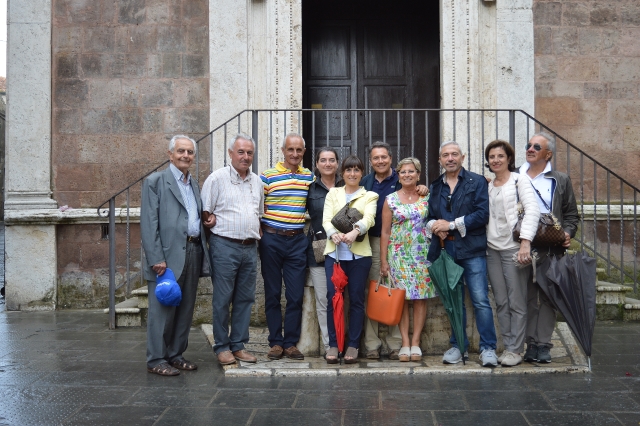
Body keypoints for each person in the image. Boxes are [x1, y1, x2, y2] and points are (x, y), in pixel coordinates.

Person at [141, 135, 210, 376]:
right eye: (181, 151)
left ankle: (175, 354)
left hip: (193, 250)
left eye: (190, 152)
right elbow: (149, 223)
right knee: (162, 309)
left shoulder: (193, 183)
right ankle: (156, 359)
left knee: (185, 308)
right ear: (170, 154)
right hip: (167, 256)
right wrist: (156, 257)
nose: (185, 156)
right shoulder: (155, 181)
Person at [426, 140, 498, 367]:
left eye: (454, 154)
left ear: (462, 157)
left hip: (472, 249)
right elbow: (429, 217)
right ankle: (458, 346)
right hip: (446, 250)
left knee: (480, 300)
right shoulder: (436, 186)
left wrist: (450, 225)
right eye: (445, 155)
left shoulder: (477, 182)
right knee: (453, 301)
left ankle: (488, 348)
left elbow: (482, 214)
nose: (450, 158)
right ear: (440, 159)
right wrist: (434, 226)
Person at [360, 141, 428, 360]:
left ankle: (396, 344)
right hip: (375, 242)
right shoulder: (365, 182)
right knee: (376, 290)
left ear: (390, 159)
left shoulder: (404, 182)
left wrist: (424, 188)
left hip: (413, 249)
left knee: (400, 294)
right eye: (375, 158)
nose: (380, 161)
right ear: (371, 161)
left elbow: (426, 206)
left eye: (384, 157)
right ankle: (372, 344)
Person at [201, 133, 263, 366]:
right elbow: (205, 212)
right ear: (230, 153)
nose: (245, 157)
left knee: (245, 298)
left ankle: (238, 345)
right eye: (241, 152)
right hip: (224, 246)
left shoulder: (257, 182)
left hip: (250, 247)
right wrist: (209, 220)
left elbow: (259, 213)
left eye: (249, 153)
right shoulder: (216, 179)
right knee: (222, 298)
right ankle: (222, 346)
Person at [520, 132, 579, 364]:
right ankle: (530, 343)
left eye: (537, 147)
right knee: (526, 297)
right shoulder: (516, 176)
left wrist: (568, 233)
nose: (530, 149)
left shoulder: (560, 180)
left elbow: (571, 215)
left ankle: (543, 344)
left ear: (548, 154)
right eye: (529, 145)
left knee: (548, 297)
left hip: (551, 248)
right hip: (521, 245)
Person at [484, 140, 540, 367]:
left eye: (500, 156)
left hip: (513, 248)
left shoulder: (520, 180)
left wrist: (525, 242)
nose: (496, 160)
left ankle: (516, 349)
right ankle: (508, 345)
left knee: (516, 301)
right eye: (492, 157)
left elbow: (533, 210)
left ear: (509, 159)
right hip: (492, 249)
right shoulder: (489, 185)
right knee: (501, 301)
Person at [260, 133, 315, 360]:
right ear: (283, 151)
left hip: (297, 241)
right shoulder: (267, 176)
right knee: (272, 293)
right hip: (271, 240)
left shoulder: (309, 176)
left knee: (295, 295)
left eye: (299, 150)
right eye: (290, 149)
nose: (294, 154)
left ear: (304, 152)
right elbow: (256, 205)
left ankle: (290, 342)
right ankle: (275, 342)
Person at [380, 157, 437, 362]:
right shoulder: (390, 199)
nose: (407, 175)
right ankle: (405, 342)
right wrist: (384, 261)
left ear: (418, 175)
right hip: (398, 255)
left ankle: (416, 342)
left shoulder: (426, 196)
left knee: (420, 298)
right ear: (398, 175)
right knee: (401, 298)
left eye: (411, 171)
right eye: (403, 172)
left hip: (422, 254)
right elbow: (385, 231)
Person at [323, 155, 378, 364]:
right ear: (342, 173)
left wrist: (356, 231)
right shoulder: (333, 193)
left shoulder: (370, 195)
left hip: (359, 257)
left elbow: (369, 218)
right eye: (348, 170)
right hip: (335, 256)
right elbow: (326, 220)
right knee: (334, 299)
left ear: (362, 173)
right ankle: (334, 344)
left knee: (356, 300)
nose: (352, 174)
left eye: (356, 170)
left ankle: (353, 345)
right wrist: (333, 234)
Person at [306, 147, 342, 357]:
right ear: (317, 164)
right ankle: (330, 345)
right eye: (323, 160)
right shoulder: (310, 189)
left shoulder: (347, 186)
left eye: (331, 160)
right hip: (318, 249)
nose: (328, 164)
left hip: (346, 249)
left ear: (337, 163)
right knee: (323, 299)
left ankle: (344, 340)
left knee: (343, 298)